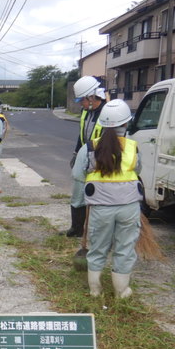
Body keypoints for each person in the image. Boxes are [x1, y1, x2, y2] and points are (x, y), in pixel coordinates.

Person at [72, 99, 142, 298]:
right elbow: (138, 170)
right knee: (125, 248)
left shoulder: (90, 148)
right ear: (126, 123)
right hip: (129, 207)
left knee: (98, 248)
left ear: (101, 123)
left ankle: (96, 291)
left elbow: (77, 175)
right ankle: (122, 291)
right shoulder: (133, 147)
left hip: (101, 207)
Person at [64, 76, 107, 237]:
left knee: (97, 197)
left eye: (81, 100)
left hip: (100, 160)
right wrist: (76, 153)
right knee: (78, 193)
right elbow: (81, 134)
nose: (79, 103)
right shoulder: (86, 111)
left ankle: (98, 233)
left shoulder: (107, 113)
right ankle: (76, 229)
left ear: (90, 97)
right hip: (84, 156)